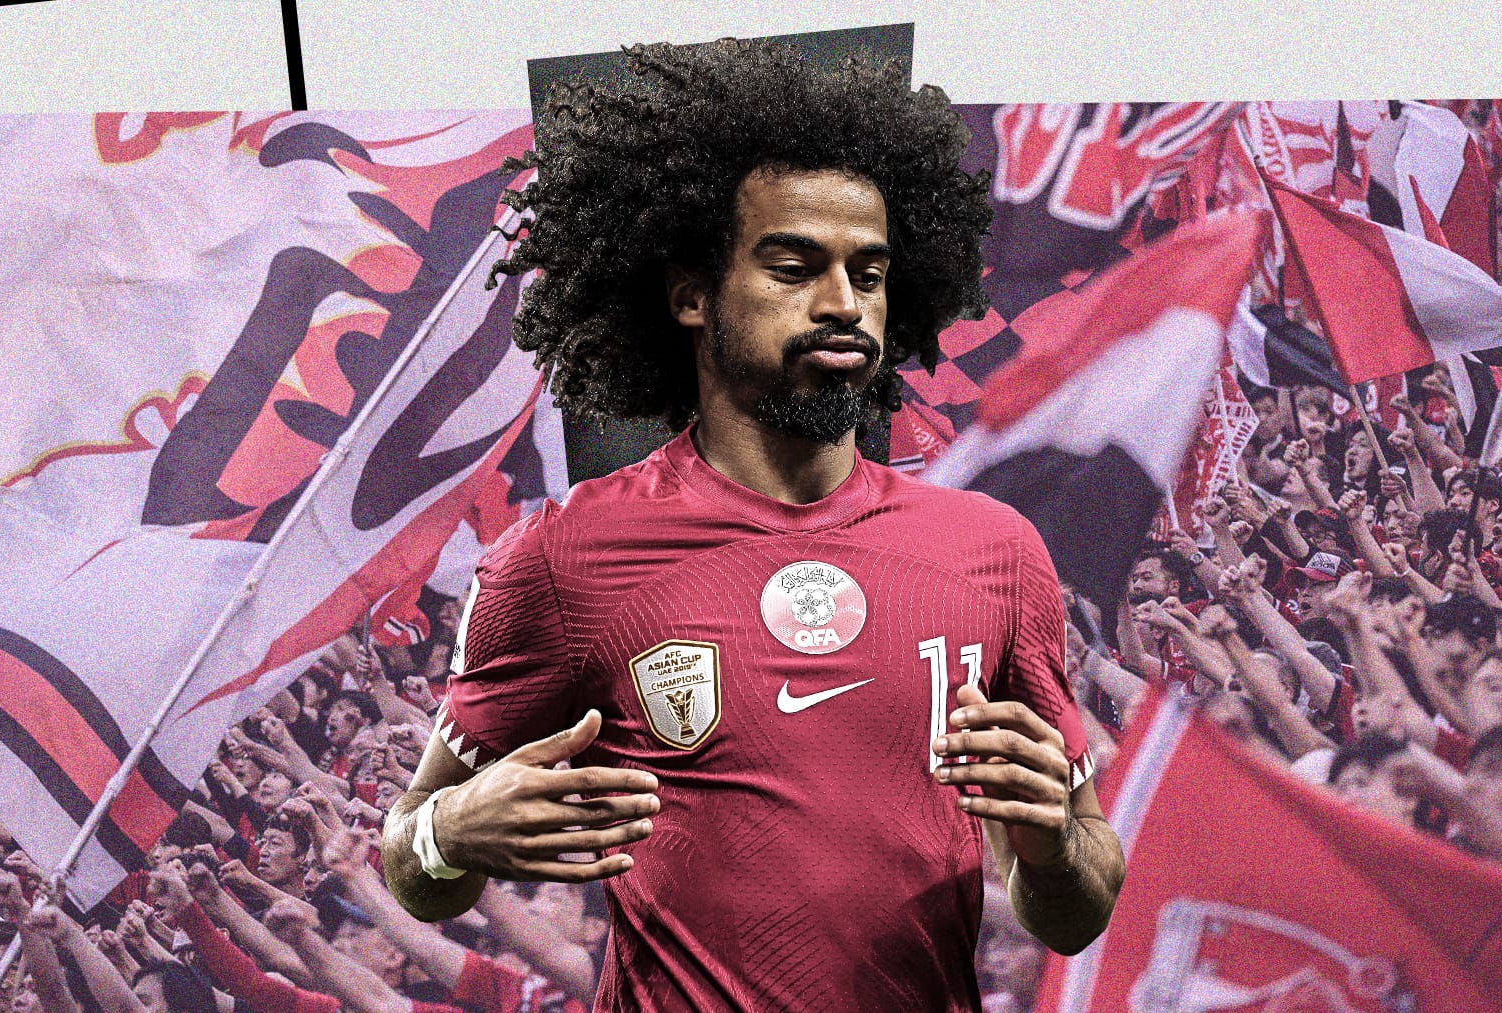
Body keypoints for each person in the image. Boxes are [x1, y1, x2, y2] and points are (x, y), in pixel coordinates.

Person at [382, 40, 1123, 1012]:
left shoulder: (995, 550)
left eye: (869, 273)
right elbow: (413, 863)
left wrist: (1056, 847)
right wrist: (449, 833)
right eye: (794, 267)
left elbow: (1077, 908)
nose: (843, 304)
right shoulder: (561, 559)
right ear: (691, 294)